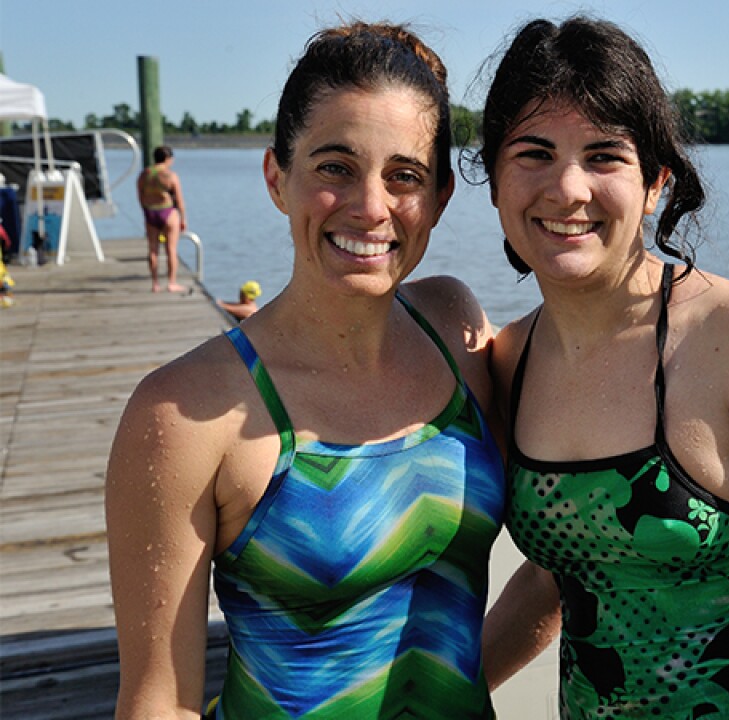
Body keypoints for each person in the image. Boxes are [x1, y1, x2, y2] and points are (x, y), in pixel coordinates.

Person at [106, 21, 505, 719]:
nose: (371, 207)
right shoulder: (182, 413)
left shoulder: (453, 324)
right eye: (335, 167)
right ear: (276, 178)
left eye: (403, 176)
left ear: (439, 197)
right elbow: (157, 703)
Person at [476, 16, 729, 719]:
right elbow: (552, 579)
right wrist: (434, 698)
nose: (568, 189)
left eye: (604, 157)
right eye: (534, 153)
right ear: (495, 180)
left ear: (657, 181)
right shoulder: (510, 361)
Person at [137, 145, 188, 293]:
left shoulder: (144, 175)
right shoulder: (170, 176)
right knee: (171, 250)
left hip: (150, 213)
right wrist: (183, 218)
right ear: (168, 159)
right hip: (167, 213)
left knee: (153, 250)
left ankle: (155, 283)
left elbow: (141, 196)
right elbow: (179, 200)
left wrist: (146, 212)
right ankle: (172, 283)